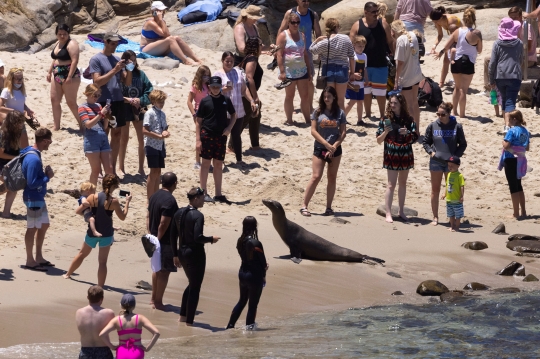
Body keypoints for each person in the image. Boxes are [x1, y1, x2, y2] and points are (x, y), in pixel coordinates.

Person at [63, 174, 132, 286]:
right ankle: (100, 286)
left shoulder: (92, 197)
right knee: (102, 262)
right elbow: (122, 217)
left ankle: (68, 274)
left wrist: (88, 215)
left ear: (102, 183)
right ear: (115, 186)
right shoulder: (113, 201)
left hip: (92, 232)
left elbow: (78, 211)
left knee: (81, 254)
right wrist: (127, 202)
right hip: (106, 233)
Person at [170, 187, 220, 326]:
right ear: (196, 198)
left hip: (182, 252)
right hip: (195, 254)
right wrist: (211, 239)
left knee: (192, 283)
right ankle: (190, 322)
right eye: (202, 197)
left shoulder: (178, 212)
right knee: (195, 287)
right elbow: (198, 237)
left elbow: (172, 235)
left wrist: (175, 254)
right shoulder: (198, 216)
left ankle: (182, 316)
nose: (204, 200)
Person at [89, 32, 133, 178]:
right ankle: (101, 169)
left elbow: (126, 82)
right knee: (103, 134)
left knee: (117, 134)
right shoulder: (96, 59)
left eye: (117, 43)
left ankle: (111, 168)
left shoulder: (116, 59)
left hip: (117, 100)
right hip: (103, 101)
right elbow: (97, 82)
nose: (115, 46)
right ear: (106, 42)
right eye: (113, 43)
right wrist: (115, 69)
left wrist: (128, 69)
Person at [300, 86, 346, 217]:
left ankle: (329, 208)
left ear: (334, 97)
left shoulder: (340, 113)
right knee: (316, 176)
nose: (327, 99)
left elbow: (343, 132)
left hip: (335, 149)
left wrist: (335, 145)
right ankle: (304, 205)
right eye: (325, 97)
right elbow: (313, 131)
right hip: (320, 147)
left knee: (332, 178)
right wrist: (325, 144)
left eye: (329, 97)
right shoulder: (317, 112)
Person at [422, 102, 467, 226]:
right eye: (438, 114)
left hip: (450, 165)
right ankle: (435, 217)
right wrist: (431, 152)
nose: (440, 116)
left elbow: (463, 144)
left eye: (443, 114)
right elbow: (425, 142)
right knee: (435, 190)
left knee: (452, 190)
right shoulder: (432, 126)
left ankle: (452, 218)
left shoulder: (457, 126)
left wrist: (455, 157)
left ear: (448, 114)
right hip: (436, 162)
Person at [376, 93, 418, 223]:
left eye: (395, 103)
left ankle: (401, 211)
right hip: (391, 154)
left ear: (401, 105)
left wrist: (408, 133)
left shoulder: (409, 120)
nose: (392, 105)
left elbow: (415, 137)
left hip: (405, 154)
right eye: (391, 103)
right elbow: (378, 140)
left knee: (403, 183)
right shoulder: (385, 119)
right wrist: (386, 131)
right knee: (391, 184)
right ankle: (388, 212)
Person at [195, 76, 236, 204]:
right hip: (207, 135)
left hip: (221, 137)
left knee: (218, 164)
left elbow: (234, 115)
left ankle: (218, 194)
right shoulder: (205, 101)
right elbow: (198, 121)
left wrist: (229, 128)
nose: (215, 89)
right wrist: (198, 139)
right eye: (213, 87)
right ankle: (204, 192)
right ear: (209, 87)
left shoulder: (226, 99)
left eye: (218, 87)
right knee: (205, 164)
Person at [435, 8, 482, 119]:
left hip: (456, 61)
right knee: (463, 90)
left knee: (457, 87)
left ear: (464, 19)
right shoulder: (477, 33)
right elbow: (479, 50)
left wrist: (441, 53)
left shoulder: (457, 31)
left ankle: (454, 112)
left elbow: (446, 46)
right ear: (474, 20)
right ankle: (462, 114)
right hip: (468, 61)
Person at [277, 0, 322, 114]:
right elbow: (281, 29)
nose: (306, 2)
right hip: (290, 52)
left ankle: (309, 106)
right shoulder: (290, 12)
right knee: (290, 89)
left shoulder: (313, 14)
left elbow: (318, 33)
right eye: (303, 0)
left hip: (307, 51)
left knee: (309, 80)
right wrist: (277, 48)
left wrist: (320, 51)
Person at [233, 5, 269, 149]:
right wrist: (254, 96)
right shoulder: (240, 28)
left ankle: (254, 145)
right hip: (243, 67)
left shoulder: (254, 27)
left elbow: (259, 45)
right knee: (248, 109)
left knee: (254, 111)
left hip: (252, 66)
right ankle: (232, 146)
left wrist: (266, 48)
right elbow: (241, 49)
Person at [350, 2, 393, 120]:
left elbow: (390, 41)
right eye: (373, 12)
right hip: (362, 65)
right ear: (366, 12)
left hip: (380, 63)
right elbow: (350, 44)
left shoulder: (382, 23)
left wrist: (394, 56)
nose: (376, 14)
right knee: (366, 91)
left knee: (381, 92)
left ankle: (382, 115)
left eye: (377, 11)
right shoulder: (357, 25)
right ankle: (368, 114)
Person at [20, 128, 54, 272]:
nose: (50, 144)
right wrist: (47, 177)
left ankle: (38, 257)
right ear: (45, 141)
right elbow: (32, 182)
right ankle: (30, 260)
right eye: (49, 141)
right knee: (32, 228)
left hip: (38, 197)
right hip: (33, 198)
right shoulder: (33, 159)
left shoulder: (31, 151)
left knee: (44, 224)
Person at [226, 216, 268, 329]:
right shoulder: (256, 243)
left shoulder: (240, 241)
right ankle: (249, 330)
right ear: (255, 227)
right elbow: (263, 263)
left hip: (242, 273)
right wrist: (264, 271)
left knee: (242, 301)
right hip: (254, 276)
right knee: (253, 305)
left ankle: (230, 326)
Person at [215, 52, 256, 164]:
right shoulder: (217, 74)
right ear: (222, 61)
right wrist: (223, 90)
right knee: (222, 136)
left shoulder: (238, 72)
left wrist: (251, 100)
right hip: (223, 111)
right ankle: (220, 160)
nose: (229, 63)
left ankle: (239, 160)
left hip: (238, 109)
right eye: (227, 61)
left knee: (236, 135)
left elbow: (244, 89)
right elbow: (212, 92)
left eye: (231, 61)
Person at [119, 50, 154, 177]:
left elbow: (149, 90)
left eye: (134, 59)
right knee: (124, 138)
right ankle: (121, 167)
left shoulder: (140, 74)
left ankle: (141, 168)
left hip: (138, 109)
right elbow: (116, 92)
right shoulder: (120, 74)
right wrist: (127, 99)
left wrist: (141, 100)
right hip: (124, 108)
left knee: (142, 139)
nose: (132, 62)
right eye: (129, 60)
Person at [147, 172, 179, 310]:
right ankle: (158, 302)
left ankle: (153, 299)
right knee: (164, 272)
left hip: (154, 238)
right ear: (175, 184)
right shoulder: (170, 200)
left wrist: (151, 235)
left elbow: (148, 216)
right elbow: (163, 223)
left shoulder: (154, 196)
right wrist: (158, 240)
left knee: (156, 269)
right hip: (164, 241)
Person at [276, 11, 313, 125]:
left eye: (297, 22)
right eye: (293, 22)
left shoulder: (302, 35)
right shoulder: (283, 35)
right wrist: (282, 72)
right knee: (290, 96)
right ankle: (289, 120)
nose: (295, 24)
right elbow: (279, 54)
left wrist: (309, 70)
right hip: (289, 72)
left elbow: (305, 54)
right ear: (288, 22)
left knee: (305, 96)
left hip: (302, 70)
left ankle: (307, 120)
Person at [310, 18, 354, 111]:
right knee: (341, 100)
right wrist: (352, 72)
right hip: (342, 70)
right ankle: (342, 123)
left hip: (328, 70)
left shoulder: (324, 41)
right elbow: (351, 56)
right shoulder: (345, 38)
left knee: (329, 99)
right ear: (337, 27)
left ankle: (330, 121)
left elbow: (312, 50)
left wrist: (317, 39)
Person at [489, 17, 523, 134]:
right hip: (514, 75)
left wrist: (491, 79)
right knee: (510, 101)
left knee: (504, 100)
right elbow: (521, 60)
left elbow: (492, 63)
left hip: (500, 75)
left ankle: (506, 125)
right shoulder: (519, 43)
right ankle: (508, 126)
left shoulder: (497, 44)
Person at [99, 294, 160, 358]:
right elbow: (157, 333)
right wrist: (148, 348)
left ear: (121, 305)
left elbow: (102, 334)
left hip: (122, 352)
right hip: (137, 353)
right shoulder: (140, 318)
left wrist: (112, 346)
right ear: (134, 306)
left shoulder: (117, 320)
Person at [46, 24, 81, 131]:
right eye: (59, 34)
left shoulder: (72, 44)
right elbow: (55, 59)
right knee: (54, 100)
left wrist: (69, 76)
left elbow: (75, 61)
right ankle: (56, 126)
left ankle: (83, 124)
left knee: (71, 102)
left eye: (64, 34)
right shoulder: (57, 43)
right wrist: (49, 72)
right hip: (57, 74)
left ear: (68, 33)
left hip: (70, 75)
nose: (62, 36)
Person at [391, 20, 423, 132]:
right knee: (415, 102)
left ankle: (412, 131)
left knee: (408, 105)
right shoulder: (413, 35)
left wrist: (396, 79)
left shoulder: (400, 40)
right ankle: (417, 130)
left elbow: (400, 63)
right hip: (416, 74)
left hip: (406, 76)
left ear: (393, 31)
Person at [78, 84, 113, 186]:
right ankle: (91, 194)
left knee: (109, 169)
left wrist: (106, 116)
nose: (96, 98)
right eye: (95, 95)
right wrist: (101, 114)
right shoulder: (82, 107)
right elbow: (88, 125)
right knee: (96, 170)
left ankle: (107, 194)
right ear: (88, 94)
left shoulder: (98, 106)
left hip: (102, 137)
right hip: (91, 139)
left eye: (98, 95)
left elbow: (105, 126)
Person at [499, 110, 530, 219]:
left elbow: (506, 145)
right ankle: (524, 211)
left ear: (514, 119)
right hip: (521, 159)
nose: (509, 121)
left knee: (513, 186)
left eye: (510, 119)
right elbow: (527, 147)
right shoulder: (525, 131)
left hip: (511, 159)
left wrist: (503, 140)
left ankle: (516, 213)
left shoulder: (512, 131)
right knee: (519, 185)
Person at [76, 285, 115, 359]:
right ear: (102, 298)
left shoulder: (79, 312)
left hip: (86, 351)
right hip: (103, 351)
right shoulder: (109, 313)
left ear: (87, 297)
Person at [143, 90, 169, 200]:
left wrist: (165, 132)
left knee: (158, 172)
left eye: (163, 101)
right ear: (153, 101)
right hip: (151, 145)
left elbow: (164, 127)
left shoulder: (162, 114)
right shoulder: (149, 113)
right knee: (153, 172)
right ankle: (150, 199)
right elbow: (144, 130)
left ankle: (156, 197)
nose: (161, 103)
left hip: (160, 145)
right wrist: (158, 136)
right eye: (159, 101)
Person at [429, 6, 463, 87]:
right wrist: (434, 46)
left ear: (441, 17)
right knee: (446, 61)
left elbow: (452, 39)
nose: (435, 23)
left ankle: (458, 81)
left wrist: (442, 51)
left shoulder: (451, 20)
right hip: (453, 39)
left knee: (451, 59)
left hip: (461, 39)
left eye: (436, 21)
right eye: (433, 21)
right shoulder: (438, 21)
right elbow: (440, 35)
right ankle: (441, 83)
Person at [0, 68, 34, 148]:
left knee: (25, 147)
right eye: (17, 78)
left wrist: (28, 109)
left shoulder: (22, 91)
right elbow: (0, 107)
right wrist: (14, 112)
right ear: (11, 79)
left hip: (20, 121)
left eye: (21, 78)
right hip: (10, 122)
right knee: (6, 147)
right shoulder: (6, 91)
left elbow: (22, 103)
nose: (19, 80)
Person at [0, 111, 25, 217]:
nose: (21, 124)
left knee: (13, 186)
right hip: (2, 163)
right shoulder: (3, 134)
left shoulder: (19, 132)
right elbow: (1, 154)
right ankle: (6, 212)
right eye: (19, 122)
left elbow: (24, 148)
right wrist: (15, 158)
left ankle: (6, 213)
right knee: (12, 185)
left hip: (12, 164)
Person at [187, 65, 210, 169]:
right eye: (204, 75)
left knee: (208, 137)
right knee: (199, 137)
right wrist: (194, 113)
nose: (206, 77)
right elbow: (189, 101)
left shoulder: (209, 85)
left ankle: (207, 160)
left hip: (209, 112)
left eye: (208, 75)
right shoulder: (195, 86)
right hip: (198, 112)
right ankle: (197, 161)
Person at [345, 36, 368, 126]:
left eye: (363, 46)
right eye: (359, 46)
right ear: (354, 45)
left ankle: (359, 120)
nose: (361, 48)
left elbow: (365, 68)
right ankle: (343, 117)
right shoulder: (351, 56)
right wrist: (352, 74)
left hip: (361, 83)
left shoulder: (364, 56)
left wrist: (366, 79)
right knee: (352, 100)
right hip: (352, 82)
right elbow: (346, 68)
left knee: (360, 101)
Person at [441, 156, 465, 232]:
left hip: (457, 200)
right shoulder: (449, 174)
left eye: (452, 166)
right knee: (451, 215)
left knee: (458, 216)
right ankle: (452, 226)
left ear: (458, 166)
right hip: (449, 200)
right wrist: (444, 194)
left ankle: (457, 227)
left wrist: (461, 196)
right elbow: (447, 185)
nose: (450, 167)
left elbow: (462, 186)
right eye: (449, 165)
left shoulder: (459, 176)